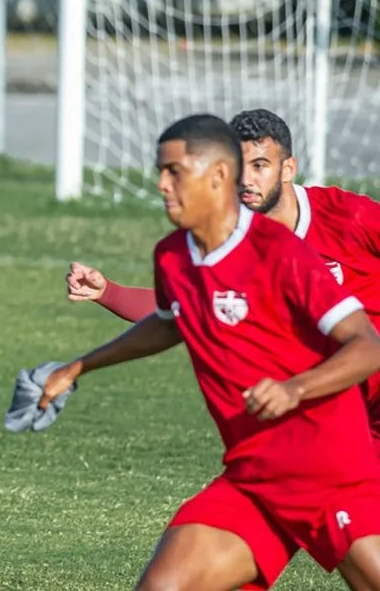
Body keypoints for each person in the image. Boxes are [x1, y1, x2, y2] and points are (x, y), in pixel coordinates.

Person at [28, 114, 380, 590]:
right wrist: (78, 366)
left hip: (328, 467)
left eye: (175, 172)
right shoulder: (174, 255)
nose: (161, 185)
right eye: (161, 170)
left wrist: (294, 389)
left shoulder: (281, 251)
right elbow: (171, 321)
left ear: (218, 176)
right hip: (256, 473)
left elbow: (366, 347)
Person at [66, 108, 380, 444]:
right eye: (239, 168)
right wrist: (108, 292)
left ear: (288, 169)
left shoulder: (349, 217)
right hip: (325, 397)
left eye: (260, 166)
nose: (247, 180)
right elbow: (188, 312)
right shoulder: (231, 238)